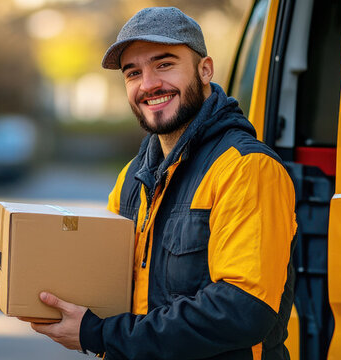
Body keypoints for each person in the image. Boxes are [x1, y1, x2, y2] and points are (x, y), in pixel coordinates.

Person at [27, 7, 297, 359]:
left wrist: (100, 333)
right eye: (133, 72)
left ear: (205, 70)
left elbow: (243, 310)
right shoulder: (132, 177)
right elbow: (106, 284)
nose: (148, 84)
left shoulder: (246, 169)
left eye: (164, 64)